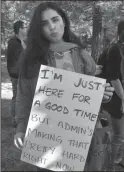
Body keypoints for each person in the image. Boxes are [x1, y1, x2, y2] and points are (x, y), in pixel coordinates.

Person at [14, 2, 114, 171]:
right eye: (44, 24)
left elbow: (90, 94)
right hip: (46, 134)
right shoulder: (31, 59)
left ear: (64, 21)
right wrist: (21, 127)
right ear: (39, 29)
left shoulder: (82, 55)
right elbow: (23, 96)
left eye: (55, 20)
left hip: (80, 135)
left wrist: (103, 95)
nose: (52, 27)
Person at [102, 20, 124, 171]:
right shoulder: (114, 49)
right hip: (114, 96)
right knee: (119, 134)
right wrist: (123, 97)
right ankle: (110, 165)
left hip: (117, 94)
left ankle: (116, 158)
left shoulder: (118, 47)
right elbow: (114, 77)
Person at [7, 20, 27, 128]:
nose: (26, 29)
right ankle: (15, 120)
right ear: (20, 29)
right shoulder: (14, 43)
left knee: (21, 96)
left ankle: (19, 117)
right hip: (16, 75)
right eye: (25, 27)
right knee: (16, 96)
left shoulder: (20, 41)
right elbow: (17, 60)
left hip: (20, 74)